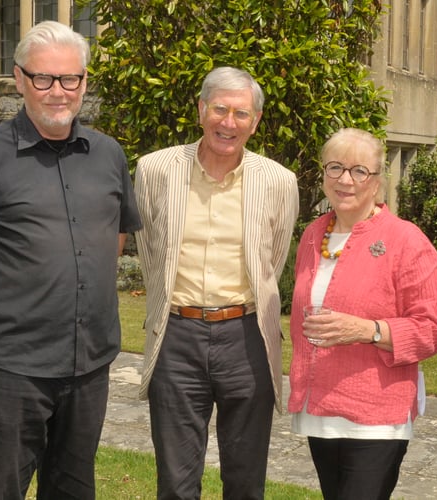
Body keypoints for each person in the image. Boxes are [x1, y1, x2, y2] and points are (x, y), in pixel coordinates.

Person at [0, 20, 142, 499]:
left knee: (71, 488)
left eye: (70, 79)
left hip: (88, 367)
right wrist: (0, 308)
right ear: (20, 79)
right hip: (8, 370)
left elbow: (116, 238)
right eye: (43, 78)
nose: (58, 91)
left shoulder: (109, 155)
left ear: (84, 81)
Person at [134, 66, 300, 499]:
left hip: (247, 338)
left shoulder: (279, 182)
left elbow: (273, 261)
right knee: (175, 480)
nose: (229, 123)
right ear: (201, 109)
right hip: (176, 335)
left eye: (241, 114)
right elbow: (149, 249)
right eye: (220, 110)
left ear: (256, 121)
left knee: (245, 481)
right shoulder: (155, 170)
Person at [287, 128, 437, 499]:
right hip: (321, 408)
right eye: (335, 168)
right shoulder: (314, 234)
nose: (346, 180)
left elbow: (431, 329)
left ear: (377, 182)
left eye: (360, 171)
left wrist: (367, 329)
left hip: (376, 416)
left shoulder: (406, 240)